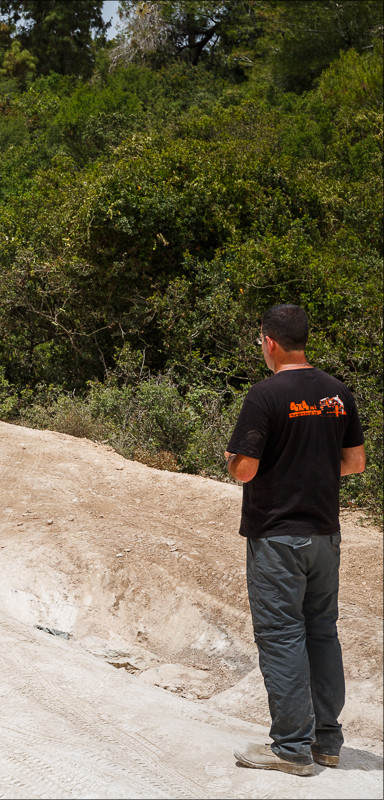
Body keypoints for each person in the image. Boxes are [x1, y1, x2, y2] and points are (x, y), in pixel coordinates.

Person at [224, 304, 366, 777]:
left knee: (283, 636)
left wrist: (233, 459)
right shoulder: (336, 394)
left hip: (277, 537)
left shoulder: (264, 396)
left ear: (269, 341)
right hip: (325, 535)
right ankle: (327, 742)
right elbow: (356, 462)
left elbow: (244, 469)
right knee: (322, 632)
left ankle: (290, 749)